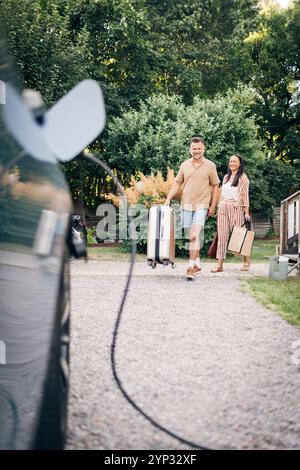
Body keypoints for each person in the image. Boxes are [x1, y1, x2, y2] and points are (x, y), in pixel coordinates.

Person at [165, 136, 220, 280]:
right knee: (191, 237)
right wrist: (168, 198)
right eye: (194, 149)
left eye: (199, 148)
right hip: (186, 205)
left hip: (202, 205)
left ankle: (190, 268)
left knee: (195, 235)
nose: (197, 151)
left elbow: (215, 187)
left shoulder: (210, 165)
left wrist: (213, 206)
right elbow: (177, 183)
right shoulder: (184, 165)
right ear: (190, 150)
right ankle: (197, 263)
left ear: (204, 148)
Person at [211, 154, 251, 273]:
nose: (232, 163)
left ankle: (246, 260)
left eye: (234, 161)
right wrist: (219, 208)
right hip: (223, 207)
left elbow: (245, 196)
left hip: (236, 207)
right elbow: (222, 195)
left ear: (240, 163)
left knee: (240, 235)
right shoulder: (226, 177)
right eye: (230, 161)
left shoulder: (243, 178)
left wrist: (246, 212)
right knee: (222, 236)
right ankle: (219, 265)